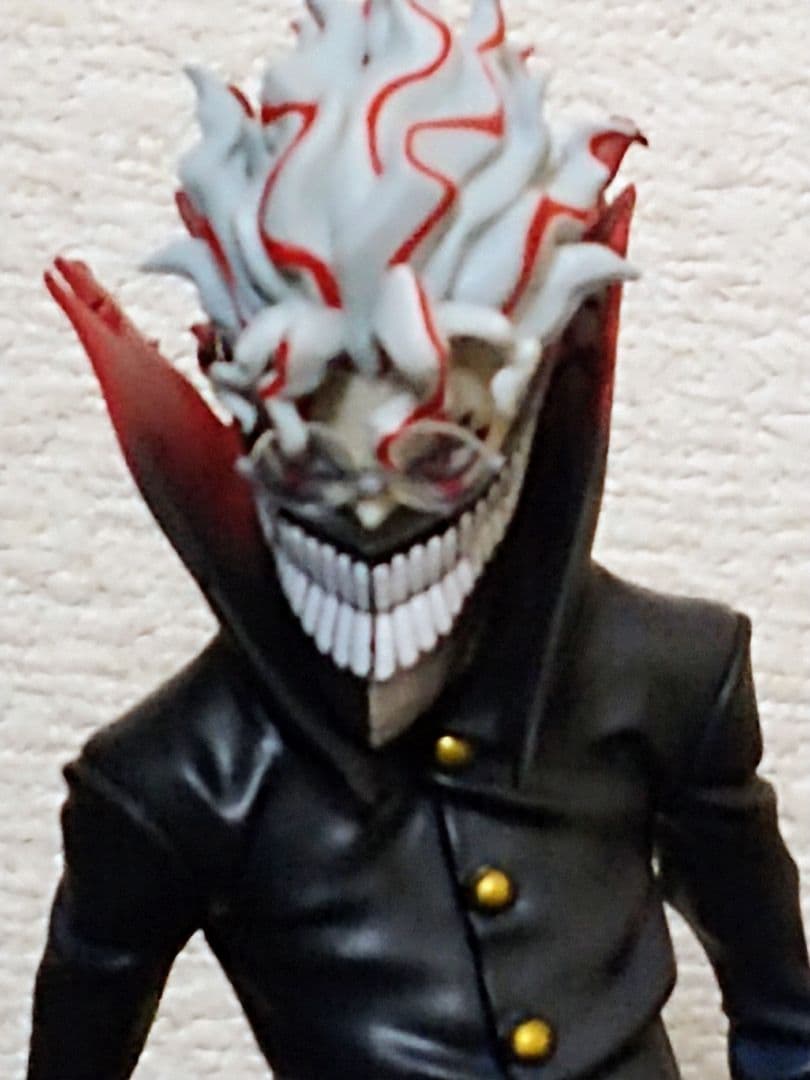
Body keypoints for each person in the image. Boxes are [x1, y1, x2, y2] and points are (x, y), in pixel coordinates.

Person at [28, 1, 810, 1076]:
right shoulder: (180, 778)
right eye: (311, 456)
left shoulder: (668, 675)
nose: (369, 514)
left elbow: (783, 1016)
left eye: (434, 453)